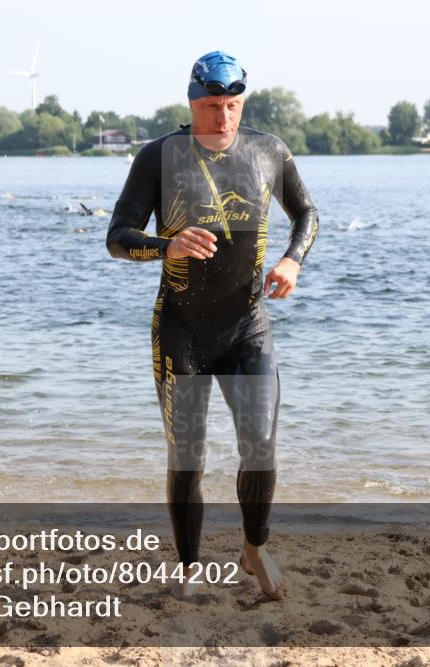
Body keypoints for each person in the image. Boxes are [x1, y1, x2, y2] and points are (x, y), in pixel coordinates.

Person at [106, 51, 318, 599]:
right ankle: (189, 567)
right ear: (192, 102)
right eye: (210, 106)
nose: (222, 118)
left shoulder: (269, 151)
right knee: (188, 456)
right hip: (183, 328)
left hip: (248, 325)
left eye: (232, 105)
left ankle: (255, 546)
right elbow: (117, 237)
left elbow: (307, 214)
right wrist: (166, 244)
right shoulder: (159, 157)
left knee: (262, 443)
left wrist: (293, 259)